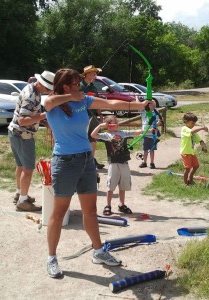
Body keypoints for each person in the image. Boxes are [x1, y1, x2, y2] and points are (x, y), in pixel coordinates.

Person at [44, 68, 150, 278]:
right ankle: (52, 258)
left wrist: (139, 106)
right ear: (65, 86)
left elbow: (111, 104)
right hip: (64, 162)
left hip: (85, 160)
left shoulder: (83, 101)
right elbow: (48, 103)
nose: (80, 87)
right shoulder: (52, 103)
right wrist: (71, 96)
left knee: (90, 211)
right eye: (76, 84)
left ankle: (98, 251)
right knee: (58, 212)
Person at [8, 70, 55, 211]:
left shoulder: (31, 88)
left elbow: (28, 115)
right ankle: (23, 201)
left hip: (15, 132)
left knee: (21, 166)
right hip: (23, 135)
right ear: (40, 83)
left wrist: (44, 123)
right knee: (28, 169)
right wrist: (43, 116)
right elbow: (23, 121)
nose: (48, 91)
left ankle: (19, 193)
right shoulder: (31, 96)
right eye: (47, 88)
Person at [91, 115, 156, 216]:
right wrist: (100, 126)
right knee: (111, 185)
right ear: (108, 126)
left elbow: (138, 132)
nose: (116, 124)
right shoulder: (106, 135)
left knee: (123, 185)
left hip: (124, 163)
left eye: (116, 122)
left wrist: (150, 130)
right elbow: (93, 135)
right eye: (112, 123)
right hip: (113, 163)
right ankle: (108, 205)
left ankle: (122, 204)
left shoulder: (123, 133)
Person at [80, 65, 105, 169]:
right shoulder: (80, 86)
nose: (95, 75)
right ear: (88, 74)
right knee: (84, 139)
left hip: (92, 116)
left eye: (96, 73)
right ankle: (86, 161)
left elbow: (97, 102)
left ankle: (91, 160)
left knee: (93, 139)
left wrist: (100, 114)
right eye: (93, 73)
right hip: (82, 116)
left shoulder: (94, 87)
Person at [180, 112, 208, 186]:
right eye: (192, 123)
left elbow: (199, 140)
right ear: (186, 121)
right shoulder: (184, 129)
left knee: (196, 166)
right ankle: (186, 183)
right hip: (186, 152)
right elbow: (192, 132)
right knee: (187, 168)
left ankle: (190, 177)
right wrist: (202, 128)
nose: (193, 125)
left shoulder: (194, 133)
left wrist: (203, 146)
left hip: (191, 152)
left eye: (194, 123)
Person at [138, 100, 162, 169]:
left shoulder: (155, 113)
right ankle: (144, 162)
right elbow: (139, 105)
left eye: (151, 104)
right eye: (148, 104)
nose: (149, 106)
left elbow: (159, 121)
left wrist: (156, 124)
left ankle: (152, 163)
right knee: (145, 149)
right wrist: (137, 98)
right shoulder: (143, 111)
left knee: (152, 149)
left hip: (153, 135)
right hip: (145, 134)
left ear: (154, 106)